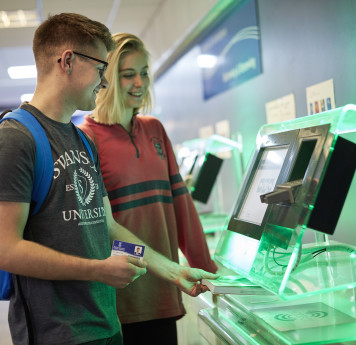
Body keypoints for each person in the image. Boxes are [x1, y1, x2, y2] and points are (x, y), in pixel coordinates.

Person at [0, 13, 217, 345]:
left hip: (106, 325)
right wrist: (98, 270)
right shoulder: (16, 137)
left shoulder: (82, 141)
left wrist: (172, 271)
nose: (104, 82)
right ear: (68, 61)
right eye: (101, 69)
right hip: (57, 334)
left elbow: (108, 226)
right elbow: (6, 249)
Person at [78, 33, 218, 345]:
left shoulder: (155, 130)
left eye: (144, 73)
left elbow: (182, 207)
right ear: (108, 79)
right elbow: (101, 228)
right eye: (129, 74)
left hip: (164, 291)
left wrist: (206, 268)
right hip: (121, 297)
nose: (139, 83)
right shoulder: (86, 139)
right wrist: (141, 263)